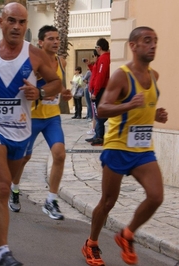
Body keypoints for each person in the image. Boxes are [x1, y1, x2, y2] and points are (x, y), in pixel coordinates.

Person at [0, 4, 62, 265]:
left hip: (21, 131)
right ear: (1, 21)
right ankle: (4, 252)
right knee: (4, 187)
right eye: (12, 21)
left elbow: (56, 83)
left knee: (0, 183)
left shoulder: (36, 54)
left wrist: (40, 92)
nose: (17, 26)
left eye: (22, 22)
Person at [81, 26, 168, 266]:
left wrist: (155, 114)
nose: (152, 45)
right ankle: (91, 244)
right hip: (118, 146)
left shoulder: (154, 76)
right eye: (147, 41)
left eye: (155, 41)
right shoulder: (121, 75)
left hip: (142, 150)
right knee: (108, 202)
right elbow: (103, 110)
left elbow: (144, 107)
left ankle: (127, 235)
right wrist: (129, 105)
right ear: (133, 46)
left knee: (156, 196)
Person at [8, 25, 72, 218]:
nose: (55, 42)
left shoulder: (61, 62)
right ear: (41, 42)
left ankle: (51, 200)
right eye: (51, 39)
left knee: (59, 155)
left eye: (57, 39)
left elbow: (59, 86)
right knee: (23, 158)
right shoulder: (33, 62)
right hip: (32, 117)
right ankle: (14, 189)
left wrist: (64, 93)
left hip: (52, 117)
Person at [88, 38, 110, 146]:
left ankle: (99, 136)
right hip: (99, 89)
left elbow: (100, 77)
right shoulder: (102, 59)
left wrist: (95, 92)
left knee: (99, 114)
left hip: (100, 90)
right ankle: (97, 135)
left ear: (99, 48)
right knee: (97, 114)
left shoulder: (103, 59)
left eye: (96, 47)